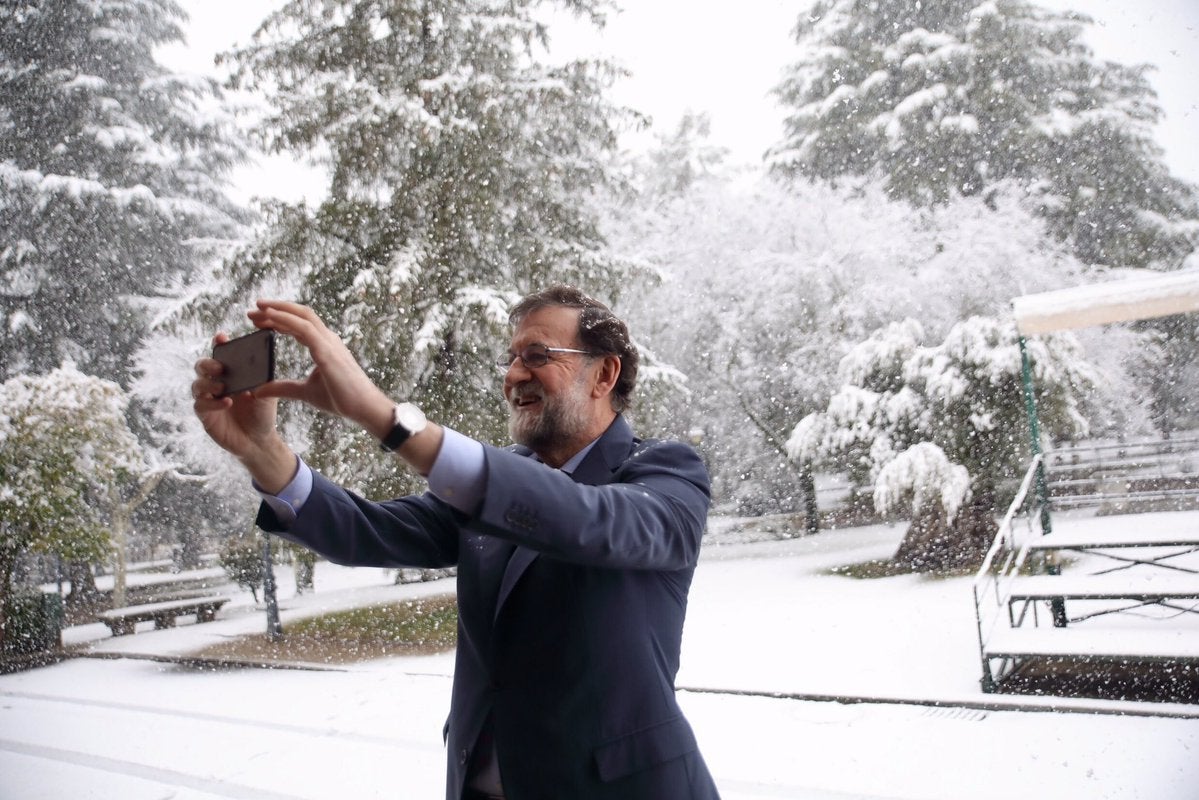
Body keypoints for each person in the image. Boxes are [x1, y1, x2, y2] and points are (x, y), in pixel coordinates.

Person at [192, 285, 721, 800]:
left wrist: (384, 416)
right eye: (510, 358)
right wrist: (262, 449)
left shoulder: (665, 471)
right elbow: (368, 531)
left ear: (603, 373)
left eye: (537, 355)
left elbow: (588, 520)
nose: (514, 375)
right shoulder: (497, 477)